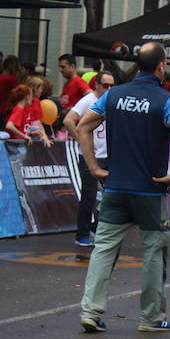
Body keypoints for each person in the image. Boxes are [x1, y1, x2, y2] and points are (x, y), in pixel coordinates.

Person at [75, 42, 170, 333]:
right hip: (150, 190)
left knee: (103, 249)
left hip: (115, 186)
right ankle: (151, 318)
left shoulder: (113, 95)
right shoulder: (168, 100)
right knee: (154, 250)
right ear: (161, 66)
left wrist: (93, 167)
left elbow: (82, 127)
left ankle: (90, 310)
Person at [63, 70, 115, 247]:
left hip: (107, 155)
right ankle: (82, 235)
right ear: (97, 85)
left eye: (112, 85)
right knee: (89, 196)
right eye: (105, 85)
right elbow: (68, 120)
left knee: (114, 195)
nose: (109, 89)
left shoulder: (111, 101)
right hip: (89, 156)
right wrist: (82, 141)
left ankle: (95, 226)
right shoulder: (89, 100)